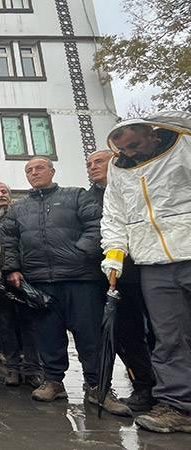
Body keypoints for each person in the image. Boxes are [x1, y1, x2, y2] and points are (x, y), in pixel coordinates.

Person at [0, 156, 128, 415]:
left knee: (90, 335)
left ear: (51, 171)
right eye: (29, 170)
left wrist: (79, 252)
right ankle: (54, 381)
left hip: (80, 279)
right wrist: (12, 268)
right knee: (47, 335)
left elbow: (96, 226)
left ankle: (98, 387)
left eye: (39, 168)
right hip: (39, 283)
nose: (34, 173)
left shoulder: (76, 196)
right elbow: (9, 240)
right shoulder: (18, 209)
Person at [102, 112, 191, 433]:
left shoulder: (183, 147)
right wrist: (113, 258)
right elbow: (114, 215)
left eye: (135, 145)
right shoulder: (119, 169)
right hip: (151, 261)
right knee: (169, 338)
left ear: (153, 134)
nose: (130, 153)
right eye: (123, 149)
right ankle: (179, 406)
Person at [87, 149, 156, 412]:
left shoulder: (135, 187)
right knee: (127, 335)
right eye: (89, 164)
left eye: (99, 161)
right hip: (114, 278)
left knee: (161, 333)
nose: (93, 167)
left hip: (149, 269)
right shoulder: (88, 198)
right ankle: (143, 387)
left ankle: (171, 387)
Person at [0, 182, 42, 388]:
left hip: (26, 277)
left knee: (29, 324)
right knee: (4, 325)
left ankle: (33, 368)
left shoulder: (22, 213)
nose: (0, 195)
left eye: (4, 192)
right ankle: (12, 367)